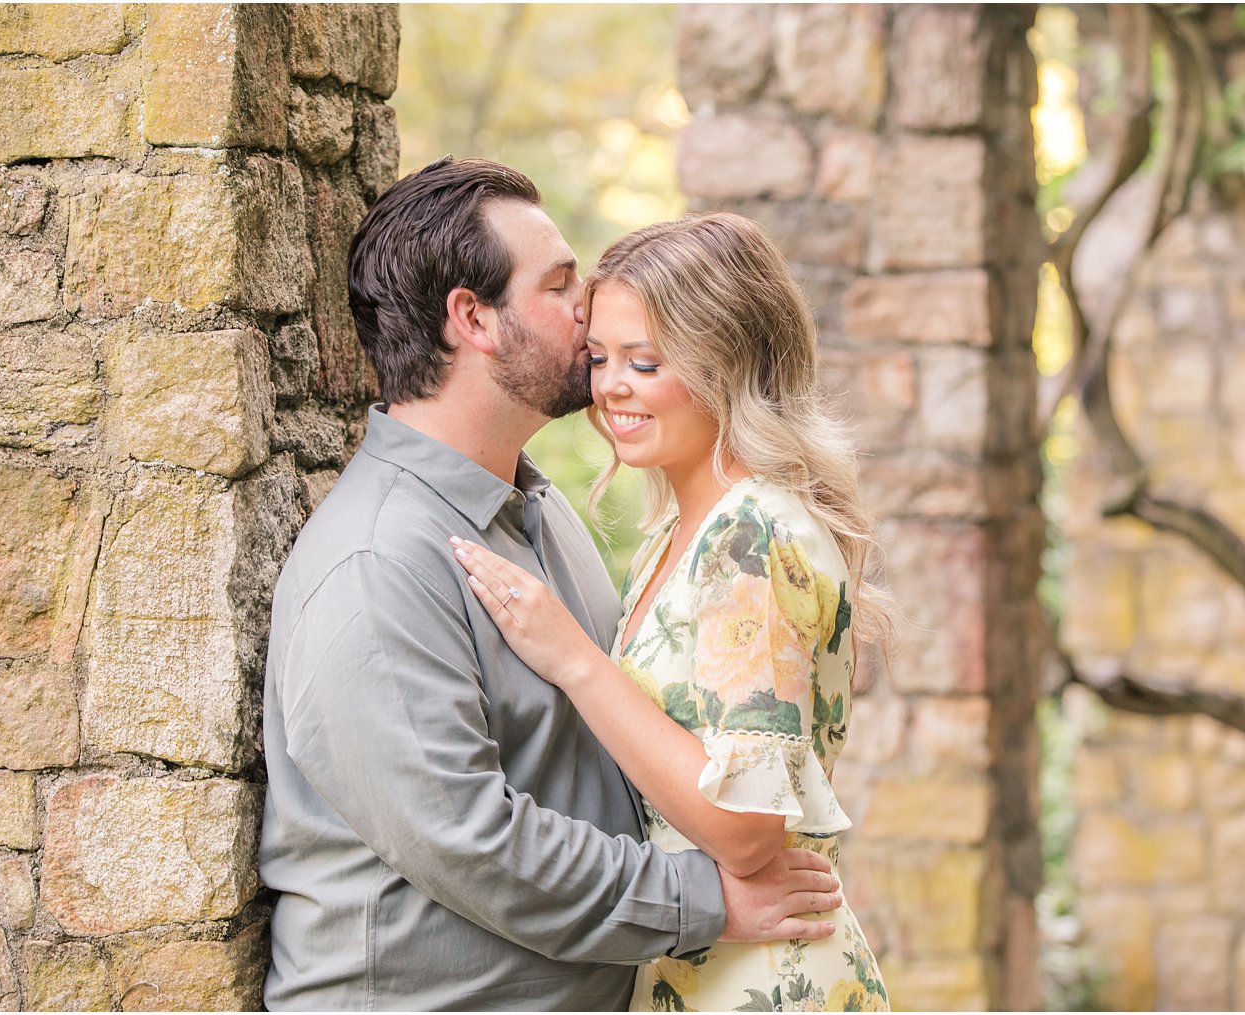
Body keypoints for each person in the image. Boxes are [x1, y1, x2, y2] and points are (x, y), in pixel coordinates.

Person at [258, 159, 844, 1012]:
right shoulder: (376, 563)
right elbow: (473, 842)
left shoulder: (542, 510)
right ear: (473, 318)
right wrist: (708, 902)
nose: (588, 304)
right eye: (562, 282)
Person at [451, 213, 892, 1012]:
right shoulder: (679, 532)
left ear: (724, 360)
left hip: (764, 983)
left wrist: (575, 661)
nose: (610, 385)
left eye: (645, 362)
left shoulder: (753, 535)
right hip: (699, 965)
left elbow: (747, 828)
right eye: (601, 357)